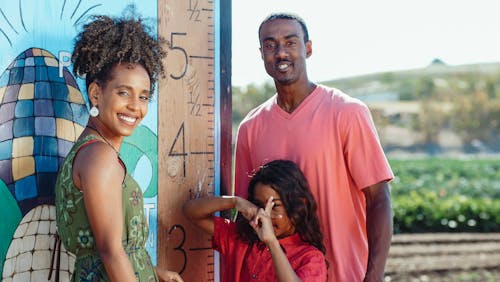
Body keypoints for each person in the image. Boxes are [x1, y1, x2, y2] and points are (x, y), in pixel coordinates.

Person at [234, 12, 394, 282]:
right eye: (270, 45)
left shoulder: (347, 112)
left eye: (290, 42)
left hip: (344, 275)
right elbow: (245, 216)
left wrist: (374, 275)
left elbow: (379, 198)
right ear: (261, 53)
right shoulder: (250, 128)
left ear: (308, 48)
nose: (281, 52)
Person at [54, 9, 183, 282]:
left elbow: (111, 251)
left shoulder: (94, 151)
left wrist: (155, 273)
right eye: (124, 92)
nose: (135, 107)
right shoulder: (99, 157)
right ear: (96, 93)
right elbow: (110, 251)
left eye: (144, 96)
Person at [183, 159, 327, 282]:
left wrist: (271, 242)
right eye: (259, 205)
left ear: (298, 205)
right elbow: (191, 211)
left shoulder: (310, 257)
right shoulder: (241, 239)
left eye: (274, 206)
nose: (265, 215)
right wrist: (234, 202)